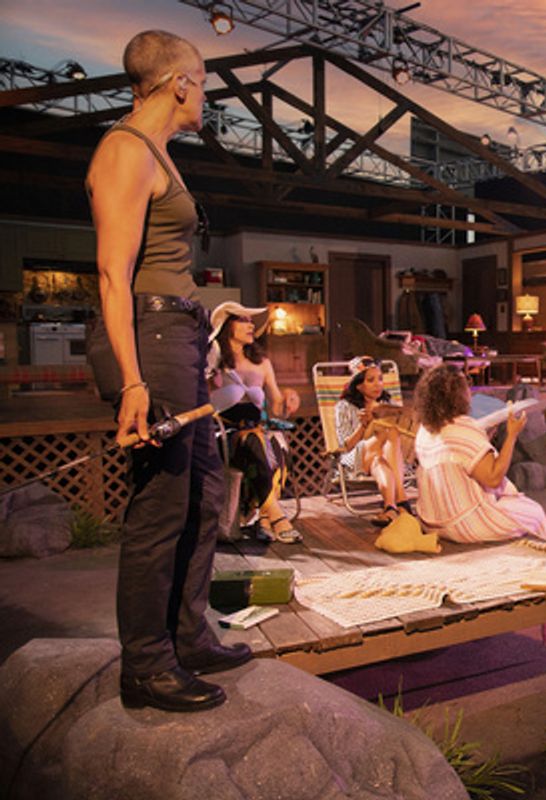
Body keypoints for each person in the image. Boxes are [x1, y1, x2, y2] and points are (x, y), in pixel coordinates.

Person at [86, 30, 249, 712]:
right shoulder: (125, 150)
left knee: (205, 496)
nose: (206, 97)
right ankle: (145, 666)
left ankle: (187, 635)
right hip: (145, 339)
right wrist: (132, 380)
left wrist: (206, 325)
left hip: (174, 333)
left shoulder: (157, 155)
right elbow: (112, 274)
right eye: (204, 83)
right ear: (179, 82)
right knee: (160, 506)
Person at [412, 364, 546, 543]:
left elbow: (459, 463)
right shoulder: (462, 428)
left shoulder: (424, 430)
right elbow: (493, 477)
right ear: (458, 395)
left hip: (432, 521)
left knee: (512, 502)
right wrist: (511, 435)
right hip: (462, 523)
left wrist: (483, 437)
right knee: (534, 512)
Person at [208, 302, 302, 543]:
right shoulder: (215, 360)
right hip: (224, 434)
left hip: (257, 432)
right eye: (243, 321)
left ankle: (266, 516)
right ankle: (275, 517)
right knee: (255, 439)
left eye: (251, 322)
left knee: (272, 442)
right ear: (227, 326)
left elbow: (277, 406)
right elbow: (205, 402)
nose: (251, 326)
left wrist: (290, 397)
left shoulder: (262, 363)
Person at [334, 356, 412, 526]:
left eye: (380, 379)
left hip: (384, 457)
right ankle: (403, 501)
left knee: (380, 460)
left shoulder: (387, 403)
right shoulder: (344, 406)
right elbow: (345, 446)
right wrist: (362, 426)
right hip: (354, 458)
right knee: (389, 431)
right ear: (359, 385)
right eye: (371, 380)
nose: (378, 384)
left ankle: (390, 507)